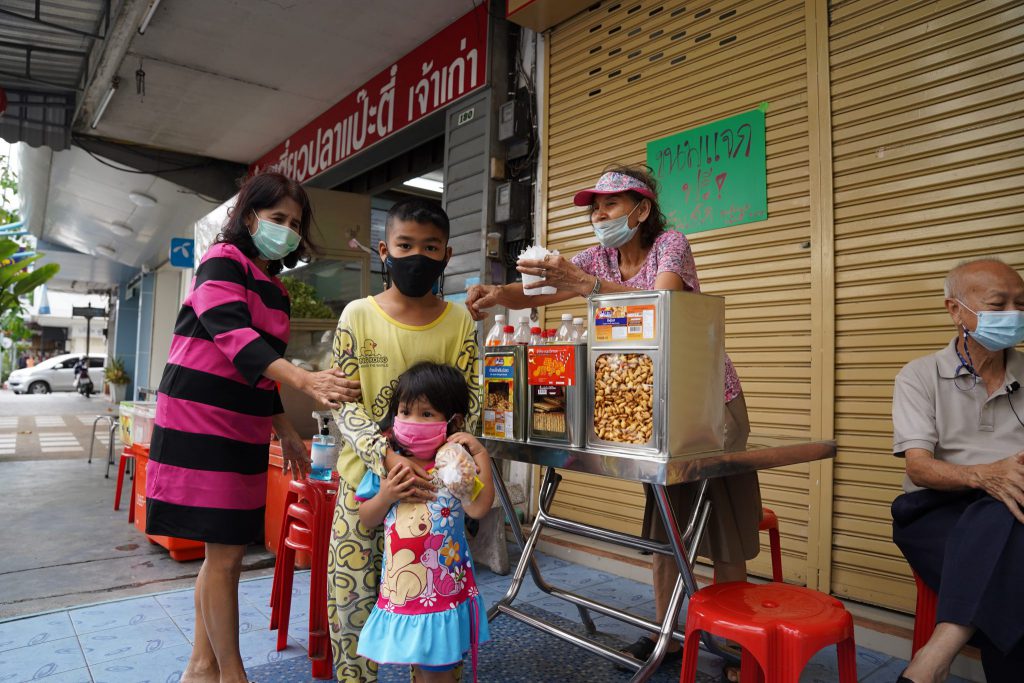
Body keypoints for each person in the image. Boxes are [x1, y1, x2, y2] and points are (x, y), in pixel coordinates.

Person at [465, 165, 758, 666]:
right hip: (647, 401)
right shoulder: (597, 257)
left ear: (642, 210)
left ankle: (739, 643)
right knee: (666, 516)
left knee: (718, 519)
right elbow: (540, 291)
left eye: (611, 205)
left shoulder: (670, 244)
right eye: (594, 207)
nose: (599, 215)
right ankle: (666, 632)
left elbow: (660, 304)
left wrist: (583, 283)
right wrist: (497, 295)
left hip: (708, 401)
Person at [145, 172, 360, 683]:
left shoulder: (278, 292)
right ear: (249, 218)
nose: (285, 229)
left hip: (243, 425)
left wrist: (283, 425)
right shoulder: (223, 261)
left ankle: (201, 667)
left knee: (225, 550)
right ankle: (232, 673)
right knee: (224, 554)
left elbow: (262, 366)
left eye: (294, 222)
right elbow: (233, 335)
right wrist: (307, 382)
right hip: (198, 420)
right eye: (276, 218)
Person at [328, 198, 481, 682]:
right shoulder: (356, 315)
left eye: (430, 246)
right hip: (364, 492)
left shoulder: (460, 322)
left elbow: (470, 402)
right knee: (351, 613)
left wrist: (449, 465)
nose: (417, 255)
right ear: (383, 250)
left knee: (432, 615)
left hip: (432, 497)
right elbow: (342, 402)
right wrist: (387, 457)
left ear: (447, 255)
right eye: (405, 245)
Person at [891, 257, 1024, 683]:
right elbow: (920, 467)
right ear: (956, 310)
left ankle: (933, 659)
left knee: (1010, 529)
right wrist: (986, 476)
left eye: (1021, 304)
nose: (1014, 315)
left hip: (1017, 508)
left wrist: (1005, 480)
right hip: (935, 511)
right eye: (998, 304)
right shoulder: (920, 375)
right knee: (1006, 527)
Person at [354, 362, 493, 681]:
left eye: (426, 414)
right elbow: (366, 517)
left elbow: (478, 509)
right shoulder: (388, 465)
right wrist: (387, 495)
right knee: (419, 667)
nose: (412, 421)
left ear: (452, 421)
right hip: (405, 592)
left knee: (437, 671)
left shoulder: (455, 466)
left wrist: (480, 455)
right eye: (404, 411)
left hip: (444, 592)